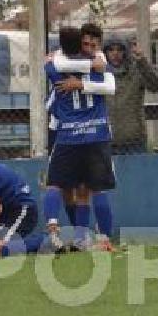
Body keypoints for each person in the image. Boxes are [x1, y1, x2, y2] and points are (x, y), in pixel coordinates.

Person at [42, 27, 116, 251]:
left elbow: (51, 65)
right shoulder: (100, 68)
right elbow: (110, 86)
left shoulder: (54, 66)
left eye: (94, 45)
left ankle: (56, 230)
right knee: (94, 189)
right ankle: (100, 239)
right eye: (87, 44)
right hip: (96, 134)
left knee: (56, 184)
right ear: (81, 44)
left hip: (69, 136)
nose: (91, 48)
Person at [103, 37, 158, 154]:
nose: (115, 53)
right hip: (106, 140)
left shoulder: (136, 72)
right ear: (105, 53)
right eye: (111, 50)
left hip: (134, 140)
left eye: (119, 50)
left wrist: (142, 62)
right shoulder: (100, 75)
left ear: (125, 52)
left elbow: (156, 86)